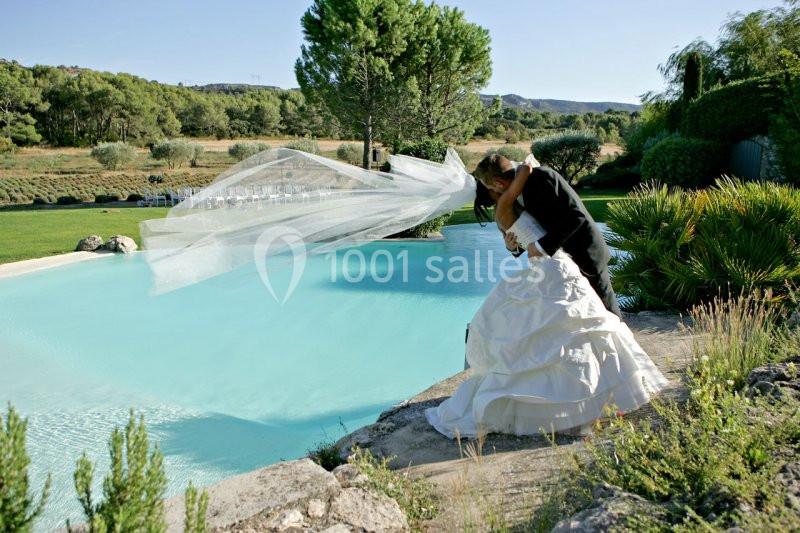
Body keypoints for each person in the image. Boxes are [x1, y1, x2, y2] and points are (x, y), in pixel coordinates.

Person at [424, 154, 668, 438]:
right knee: (570, 335)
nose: (492, 194)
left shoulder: (542, 179)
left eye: (491, 189)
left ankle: (626, 386)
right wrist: (515, 245)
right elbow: (521, 239)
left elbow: (575, 217)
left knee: (604, 322)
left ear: (499, 183)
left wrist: (541, 247)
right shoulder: (513, 194)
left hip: (583, 255)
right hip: (553, 267)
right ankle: (583, 398)